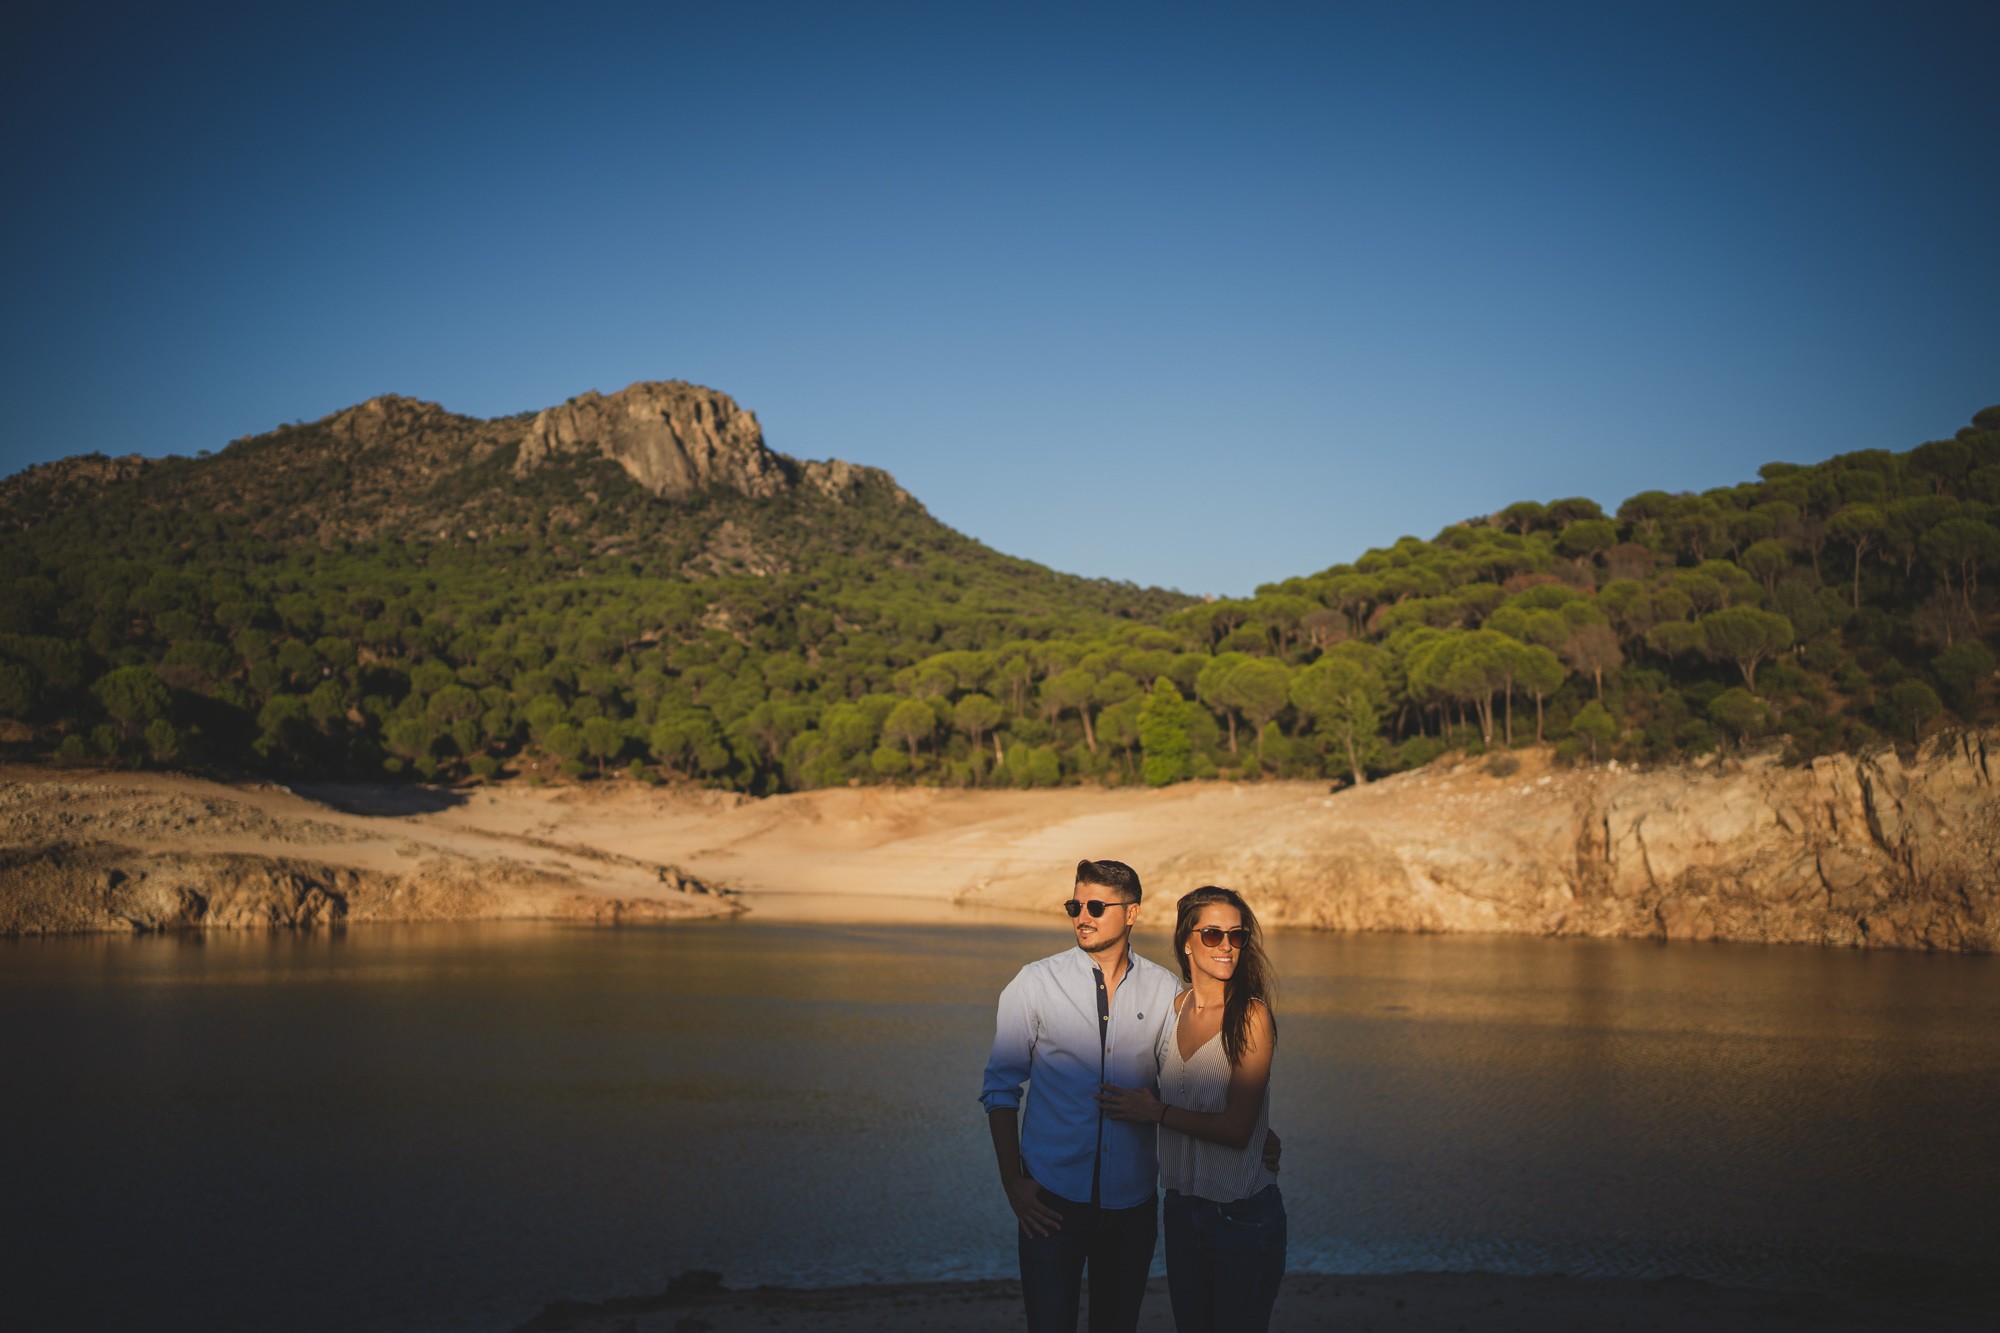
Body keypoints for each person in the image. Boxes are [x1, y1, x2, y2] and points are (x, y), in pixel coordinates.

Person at [980, 858, 1182, 1333]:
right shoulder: (1034, 983)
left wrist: (1255, 1132)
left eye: (1095, 905)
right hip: (1050, 1203)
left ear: (1131, 913)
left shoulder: (1164, 989)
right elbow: (999, 1090)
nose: (1082, 916)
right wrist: (1014, 1184)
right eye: (1075, 904)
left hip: (1132, 1206)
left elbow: (1184, 1085)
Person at [1099, 886, 1285, 1333]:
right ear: (1187, 941)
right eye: (1213, 935)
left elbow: (1238, 1128)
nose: (1226, 947)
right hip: (1181, 1213)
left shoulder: (1251, 1017)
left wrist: (1156, 1112)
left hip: (1241, 1217)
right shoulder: (1175, 1009)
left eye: (1237, 937)